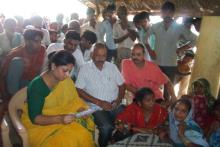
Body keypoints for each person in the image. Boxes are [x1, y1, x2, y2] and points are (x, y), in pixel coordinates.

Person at [21, 50, 95, 147]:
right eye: (64, 70)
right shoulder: (37, 86)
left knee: (82, 134)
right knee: (66, 142)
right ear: (53, 66)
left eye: (70, 71)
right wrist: (60, 119)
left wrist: (81, 109)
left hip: (65, 116)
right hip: (40, 126)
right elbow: (35, 118)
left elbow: (74, 100)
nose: (68, 75)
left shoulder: (65, 80)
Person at [76, 43, 125, 147]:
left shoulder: (112, 67)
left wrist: (118, 100)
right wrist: (99, 102)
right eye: (97, 55)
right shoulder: (84, 68)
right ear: (92, 55)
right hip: (96, 107)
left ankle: (116, 140)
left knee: (126, 123)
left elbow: (122, 85)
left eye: (103, 56)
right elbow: (79, 90)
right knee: (107, 127)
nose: (100, 59)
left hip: (115, 104)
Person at [146, 1, 197, 99]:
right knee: (153, 87)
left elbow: (195, 39)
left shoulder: (179, 27)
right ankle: (154, 107)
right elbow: (145, 38)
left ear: (173, 14)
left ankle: (167, 109)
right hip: (157, 62)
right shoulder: (155, 26)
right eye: (165, 12)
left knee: (168, 90)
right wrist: (150, 51)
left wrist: (182, 48)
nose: (167, 15)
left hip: (171, 63)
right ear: (161, 13)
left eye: (170, 12)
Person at [0, 28, 45, 97]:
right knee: (17, 62)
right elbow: (2, 76)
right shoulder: (15, 53)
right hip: (16, 85)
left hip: (31, 82)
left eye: (40, 41)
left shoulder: (42, 49)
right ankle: (13, 98)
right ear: (27, 41)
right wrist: (5, 98)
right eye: (36, 41)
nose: (39, 44)